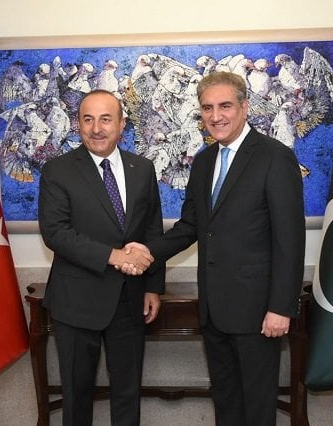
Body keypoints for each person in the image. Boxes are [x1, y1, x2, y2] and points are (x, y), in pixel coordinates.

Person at [125, 71, 305, 426]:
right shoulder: (205, 162)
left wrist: (281, 307)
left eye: (225, 106)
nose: (215, 115)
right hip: (214, 312)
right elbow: (191, 227)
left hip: (259, 313)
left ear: (245, 107)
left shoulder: (274, 156)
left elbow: (290, 238)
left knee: (257, 408)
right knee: (226, 404)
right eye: (207, 108)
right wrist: (146, 251)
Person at [38, 89, 165, 426]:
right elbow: (56, 233)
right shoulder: (58, 170)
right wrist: (114, 256)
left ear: (122, 124)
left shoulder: (143, 168)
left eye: (106, 119)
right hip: (76, 301)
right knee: (77, 396)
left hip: (130, 299)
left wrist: (154, 287)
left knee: (128, 393)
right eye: (88, 119)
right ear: (77, 124)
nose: (97, 128)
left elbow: (153, 230)